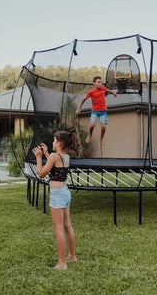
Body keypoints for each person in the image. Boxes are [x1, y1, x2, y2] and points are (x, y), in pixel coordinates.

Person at [33, 131, 79, 270]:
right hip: (65, 193)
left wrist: (39, 157)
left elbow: (41, 174)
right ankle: (72, 256)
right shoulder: (65, 156)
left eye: (53, 141)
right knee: (67, 226)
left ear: (60, 143)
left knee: (58, 230)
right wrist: (47, 153)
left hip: (57, 194)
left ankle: (62, 263)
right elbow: (55, 167)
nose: (52, 143)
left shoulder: (54, 156)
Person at [76, 76, 118, 147]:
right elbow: (84, 99)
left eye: (101, 82)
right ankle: (90, 135)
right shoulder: (91, 91)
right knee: (92, 125)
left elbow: (107, 90)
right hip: (95, 111)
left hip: (103, 111)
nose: (100, 83)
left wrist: (113, 93)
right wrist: (79, 108)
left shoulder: (103, 88)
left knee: (104, 127)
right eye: (98, 82)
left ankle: (101, 140)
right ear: (94, 83)